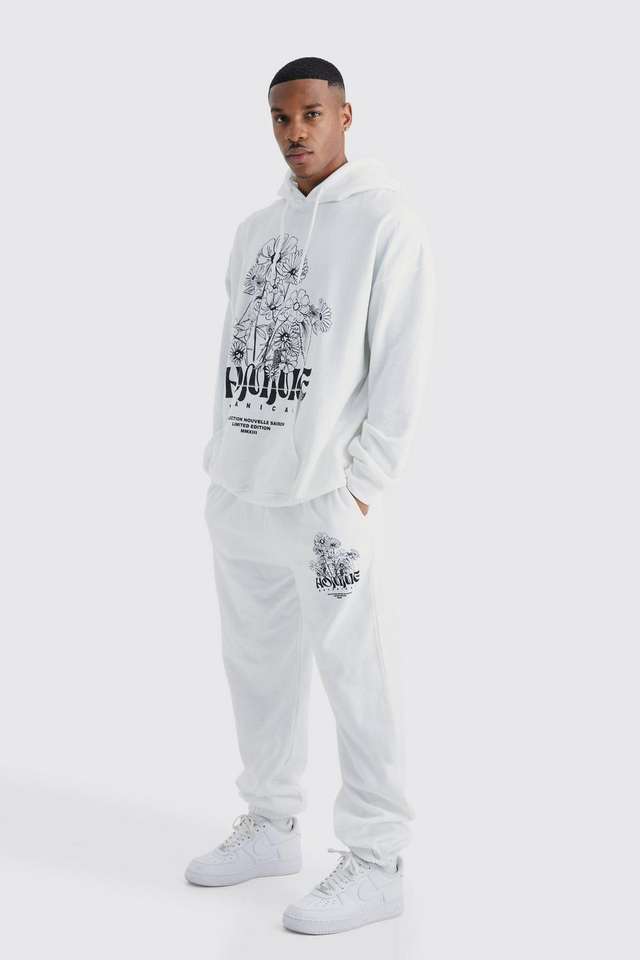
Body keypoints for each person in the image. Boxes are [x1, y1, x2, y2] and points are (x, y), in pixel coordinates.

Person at [185, 56, 436, 936]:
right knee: (254, 666)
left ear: (344, 116)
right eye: (282, 118)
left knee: (355, 675)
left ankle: (377, 858)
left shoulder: (385, 222)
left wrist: (362, 485)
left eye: (311, 115)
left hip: (326, 501)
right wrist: (223, 462)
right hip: (242, 490)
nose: (295, 132)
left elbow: (402, 362)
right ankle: (271, 822)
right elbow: (234, 345)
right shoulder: (255, 229)